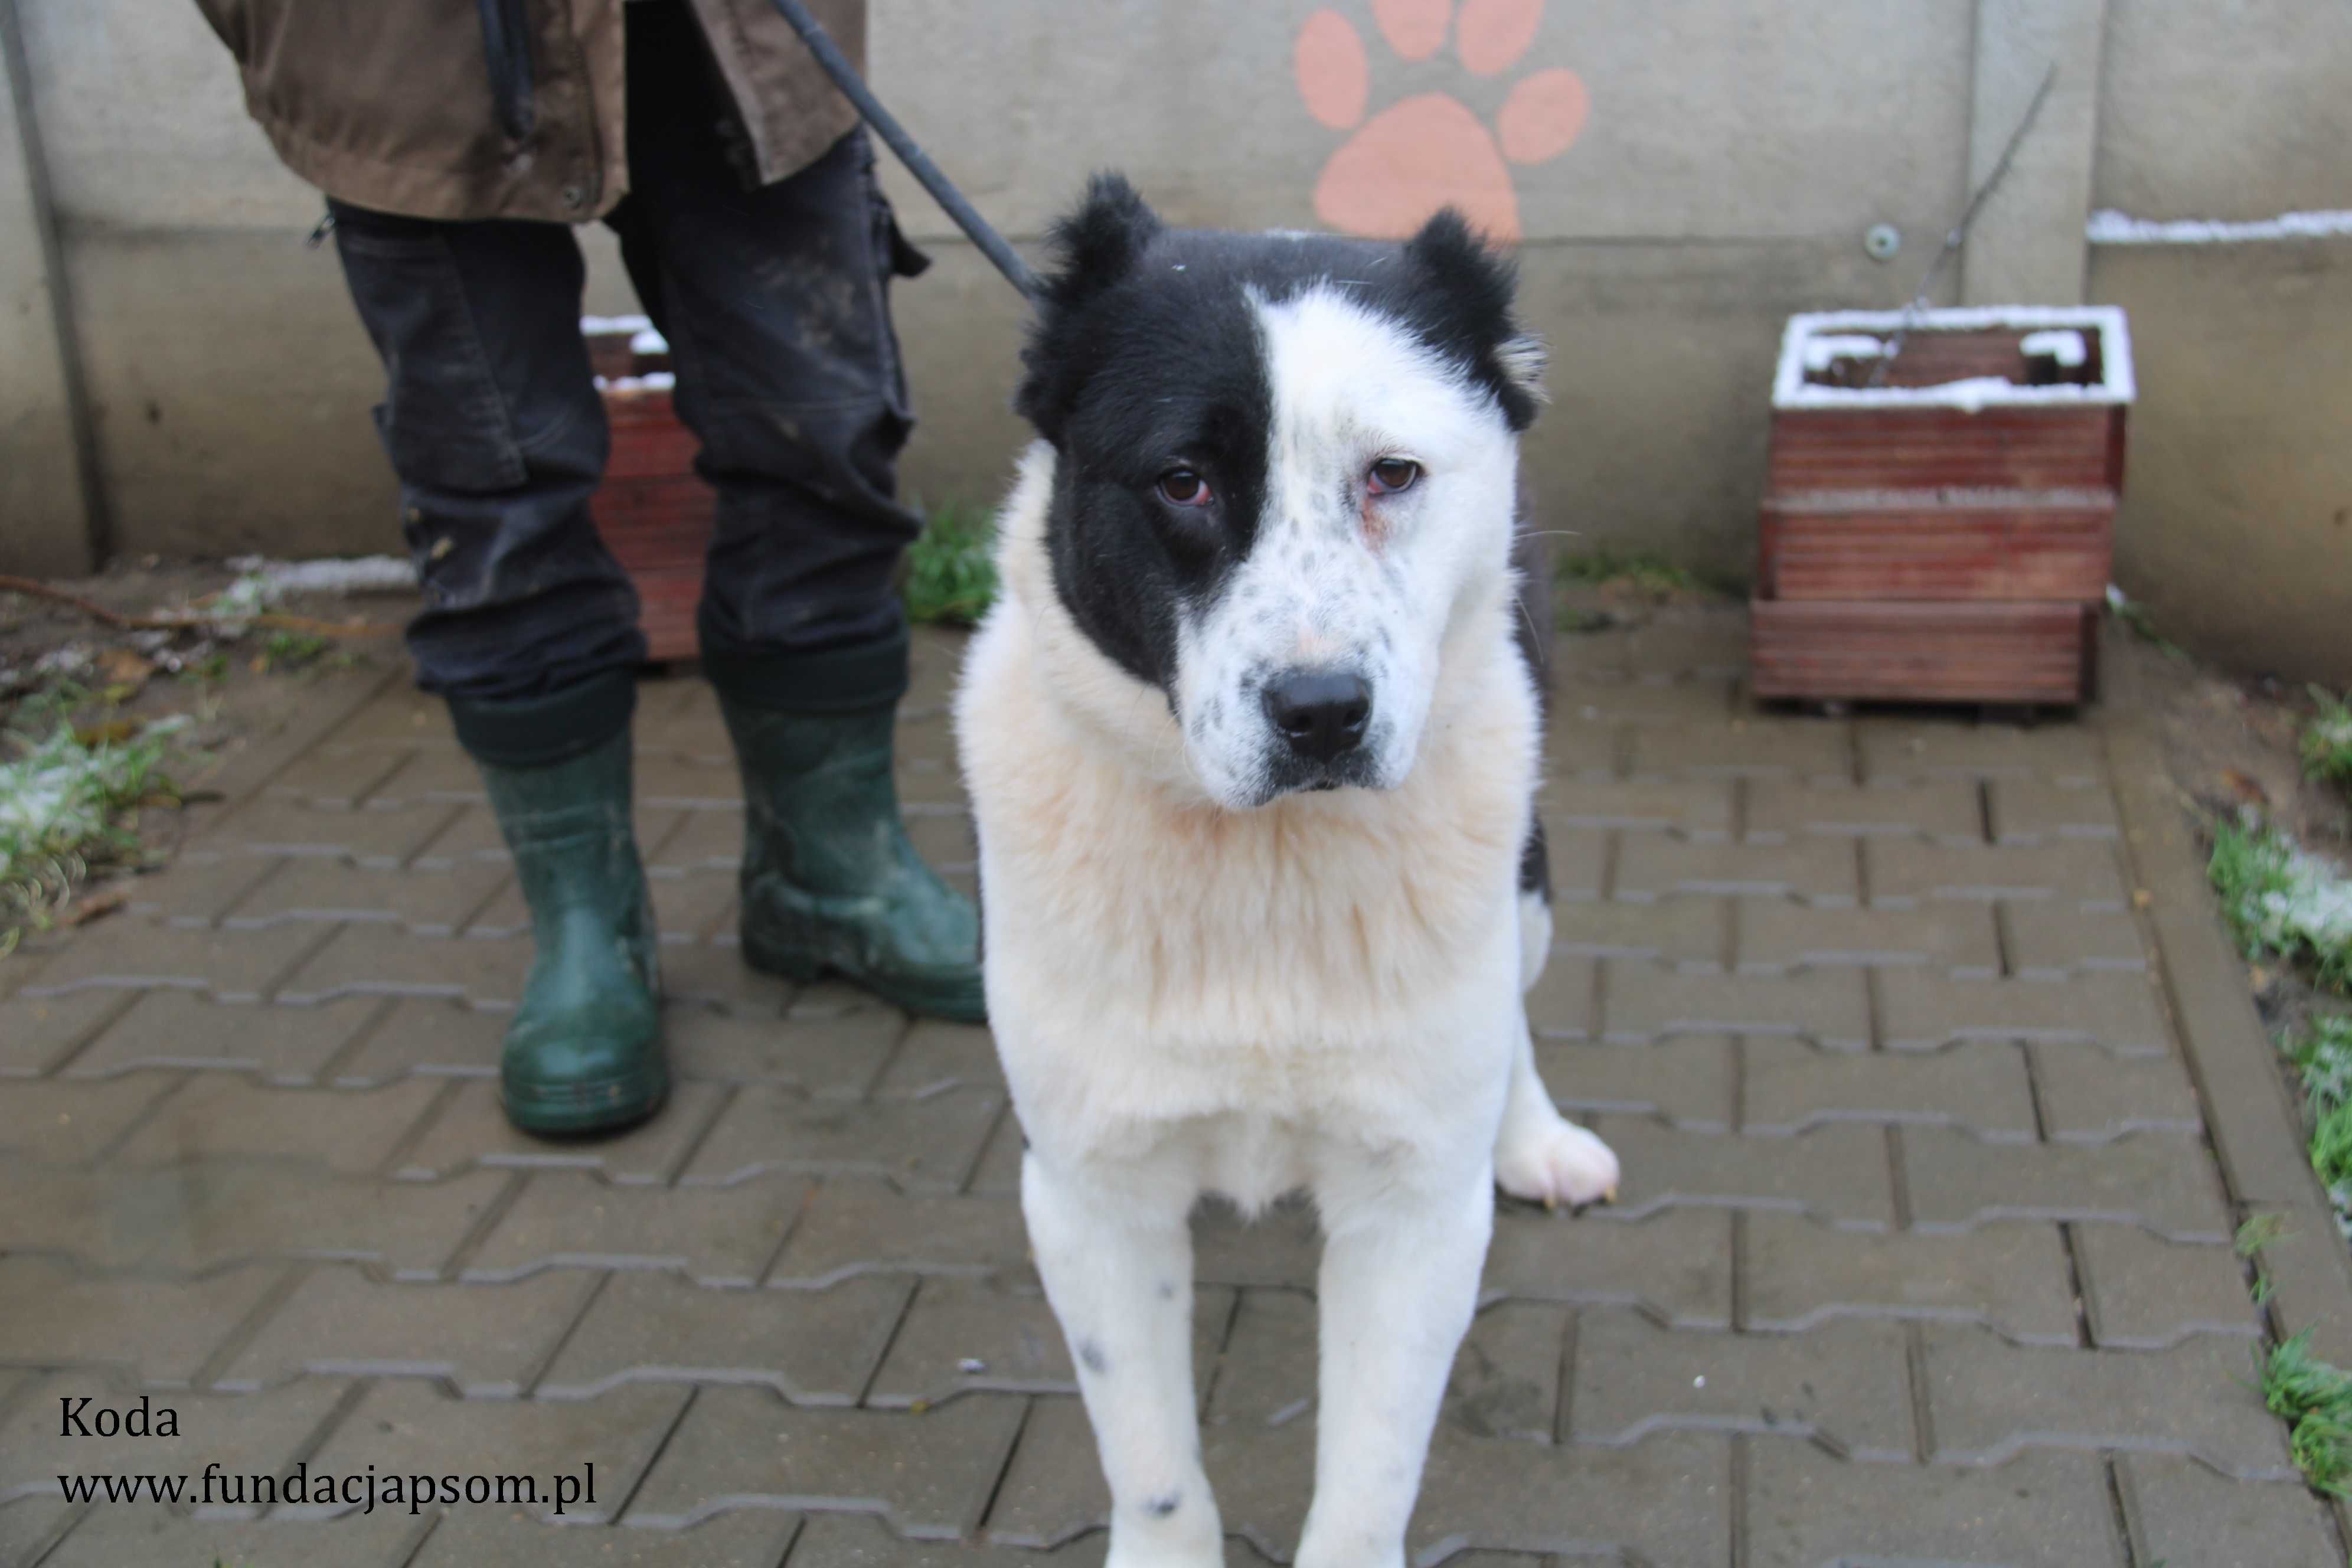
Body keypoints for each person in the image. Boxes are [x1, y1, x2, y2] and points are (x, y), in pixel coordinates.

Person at [192, 0, 982, 1136]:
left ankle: (831, 875)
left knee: (824, 432)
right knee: (496, 499)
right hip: (407, 51)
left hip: (730, 35)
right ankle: (586, 935)